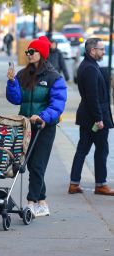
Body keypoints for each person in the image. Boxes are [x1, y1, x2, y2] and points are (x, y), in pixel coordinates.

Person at [6, 36, 67, 217]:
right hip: (25, 125)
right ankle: (43, 202)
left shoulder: (54, 78)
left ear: (42, 54)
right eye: (27, 51)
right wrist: (11, 82)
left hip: (43, 127)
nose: (29, 54)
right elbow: (16, 99)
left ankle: (31, 202)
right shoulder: (23, 74)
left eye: (32, 51)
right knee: (31, 164)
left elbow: (58, 104)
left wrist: (42, 117)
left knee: (38, 164)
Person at [68, 38, 114, 195]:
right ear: (92, 51)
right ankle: (101, 184)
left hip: (88, 116)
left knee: (83, 149)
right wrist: (99, 118)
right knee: (101, 151)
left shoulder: (89, 66)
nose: (103, 52)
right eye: (101, 49)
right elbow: (92, 97)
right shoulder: (90, 69)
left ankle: (74, 183)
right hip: (94, 118)